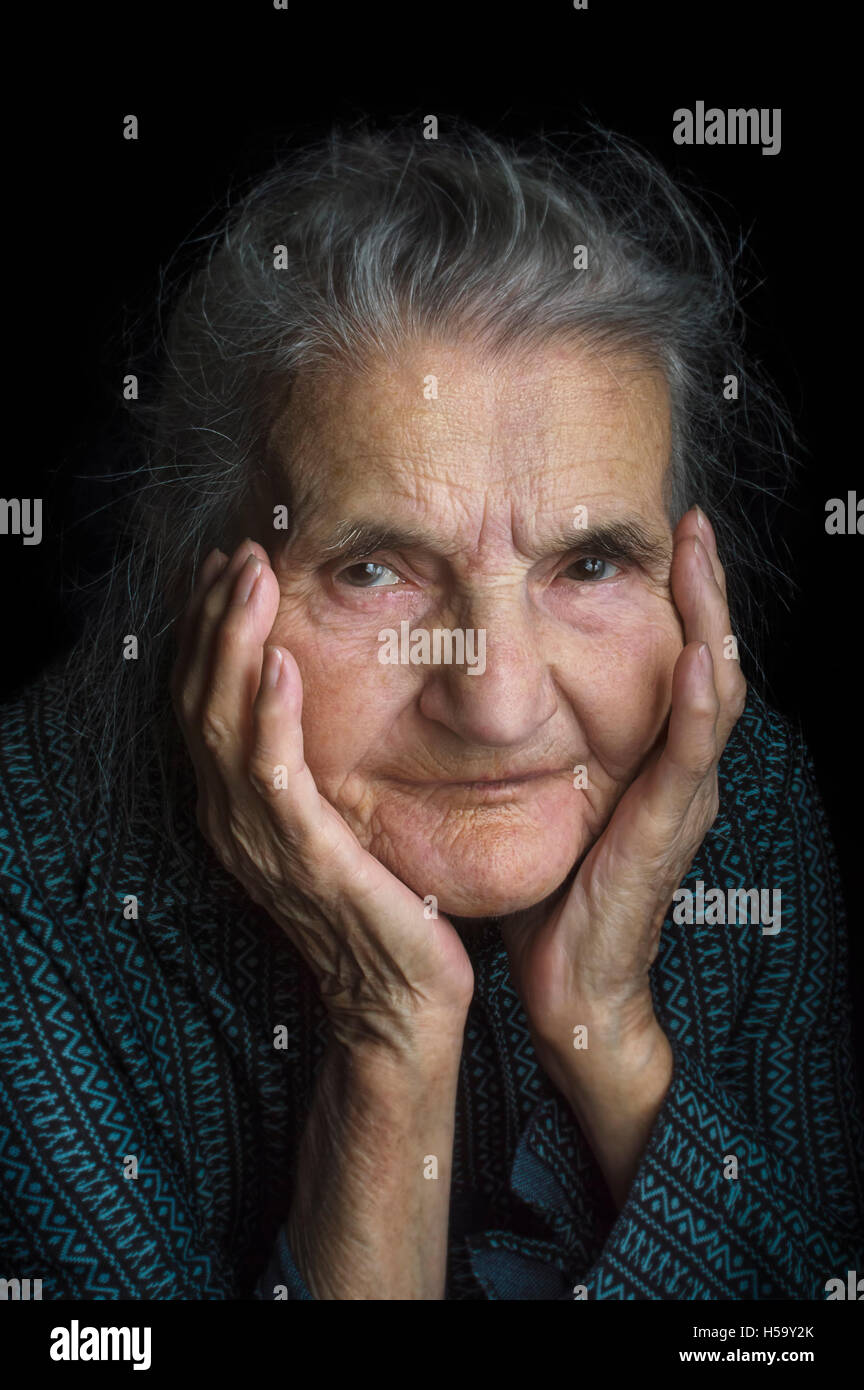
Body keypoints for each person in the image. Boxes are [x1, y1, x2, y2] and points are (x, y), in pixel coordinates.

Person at [1, 124, 862, 1300]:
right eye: (374, 570)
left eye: (593, 565)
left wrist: (609, 1032)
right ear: (212, 590)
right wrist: (388, 1029)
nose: (501, 706)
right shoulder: (28, 874)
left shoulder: (741, 795)